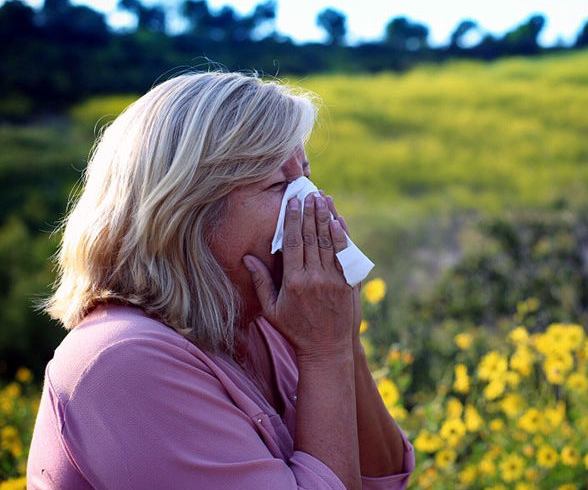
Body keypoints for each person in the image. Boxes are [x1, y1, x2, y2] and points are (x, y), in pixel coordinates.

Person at [27, 71, 414, 490]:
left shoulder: (266, 322)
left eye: (306, 176)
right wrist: (325, 351)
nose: (313, 202)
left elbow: (383, 478)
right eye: (280, 184)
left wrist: (341, 338)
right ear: (188, 213)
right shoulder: (123, 360)